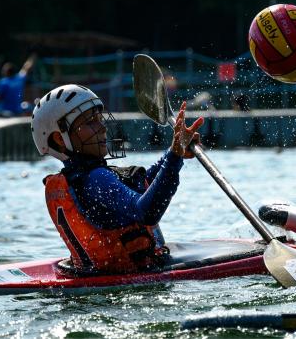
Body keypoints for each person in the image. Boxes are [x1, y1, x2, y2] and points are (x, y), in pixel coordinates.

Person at [31, 84, 204, 274]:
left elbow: (144, 186)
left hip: (90, 276)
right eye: (90, 122)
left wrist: (174, 153)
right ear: (59, 139)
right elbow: (147, 212)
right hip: (130, 281)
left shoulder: (78, 180)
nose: (102, 127)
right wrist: (173, 159)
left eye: (99, 119)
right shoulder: (96, 179)